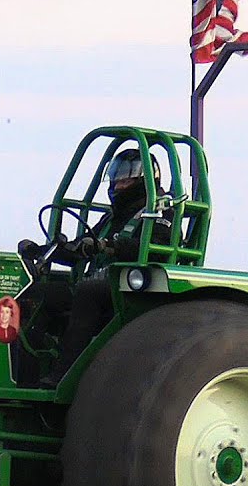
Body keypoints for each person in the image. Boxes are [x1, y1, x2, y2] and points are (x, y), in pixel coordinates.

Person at [36, 148, 173, 387]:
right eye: (115, 178)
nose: (118, 185)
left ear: (145, 179)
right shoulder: (112, 217)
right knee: (40, 294)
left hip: (134, 290)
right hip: (99, 284)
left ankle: (65, 376)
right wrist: (43, 251)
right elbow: (82, 248)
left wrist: (110, 246)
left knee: (88, 292)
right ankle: (28, 373)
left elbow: (157, 248)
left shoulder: (161, 213)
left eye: (126, 179)